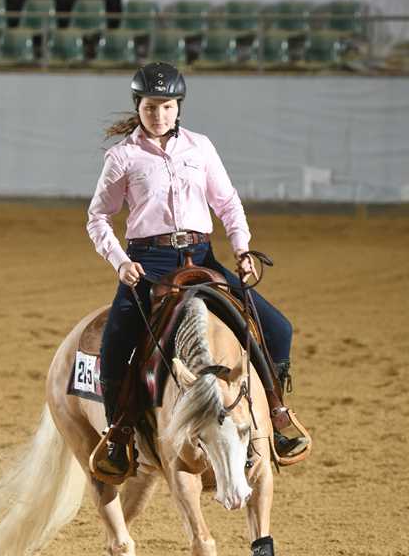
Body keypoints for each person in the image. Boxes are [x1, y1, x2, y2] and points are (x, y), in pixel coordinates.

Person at [86, 62, 309, 478]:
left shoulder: (200, 147)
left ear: (178, 107)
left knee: (278, 330)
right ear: (138, 107)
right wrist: (121, 262)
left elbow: (227, 202)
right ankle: (119, 435)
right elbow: (98, 217)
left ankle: (276, 415)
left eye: (167, 106)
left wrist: (242, 249)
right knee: (114, 347)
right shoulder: (122, 157)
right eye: (151, 107)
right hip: (148, 264)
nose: (159, 115)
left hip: (202, 259)